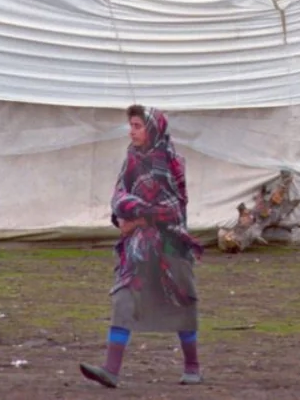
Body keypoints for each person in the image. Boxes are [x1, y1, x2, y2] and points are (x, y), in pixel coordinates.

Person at [80, 105, 203, 388]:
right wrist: (131, 214)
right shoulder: (131, 160)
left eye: (137, 125)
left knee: (182, 301)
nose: (131, 131)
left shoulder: (172, 162)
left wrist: (135, 219)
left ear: (153, 128)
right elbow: (120, 196)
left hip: (171, 244)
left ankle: (192, 367)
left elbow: (172, 210)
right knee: (123, 297)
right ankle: (110, 370)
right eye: (131, 125)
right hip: (138, 247)